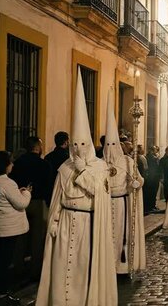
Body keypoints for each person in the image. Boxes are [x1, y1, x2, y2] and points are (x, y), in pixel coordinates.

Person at [36, 69, 116, 305]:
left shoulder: (100, 167)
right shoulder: (63, 167)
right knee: (61, 267)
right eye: (75, 143)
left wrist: (83, 170)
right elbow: (57, 197)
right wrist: (54, 220)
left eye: (83, 143)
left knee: (82, 267)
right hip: (65, 224)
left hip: (87, 224)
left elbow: (99, 193)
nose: (79, 147)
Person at [103, 90, 146, 274]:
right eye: (109, 145)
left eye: (115, 145)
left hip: (122, 202)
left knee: (122, 234)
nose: (112, 149)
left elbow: (139, 179)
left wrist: (136, 184)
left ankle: (121, 266)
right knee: (105, 236)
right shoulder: (99, 164)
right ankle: (106, 267)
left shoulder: (128, 161)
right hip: (104, 204)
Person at [0, 151, 31, 305]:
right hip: (9, 227)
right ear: (4, 165)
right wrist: (26, 193)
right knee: (5, 261)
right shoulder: (8, 183)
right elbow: (21, 203)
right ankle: (3, 292)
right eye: (10, 162)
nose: (12, 165)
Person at [8, 136, 52, 279]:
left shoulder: (17, 163)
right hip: (38, 202)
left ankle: (18, 266)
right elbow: (49, 185)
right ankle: (35, 269)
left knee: (20, 236)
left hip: (20, 203)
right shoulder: (43, 164)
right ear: (37, 148)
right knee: (37, 238)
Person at [143, 146, 161, 212]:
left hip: (154, 177)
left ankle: (152, 205)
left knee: (153, 193)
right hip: (152, 178)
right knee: (152, 193)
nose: (156, 151)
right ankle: (151, 206)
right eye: (155, 149)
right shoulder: (151, 157)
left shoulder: (153, 157)